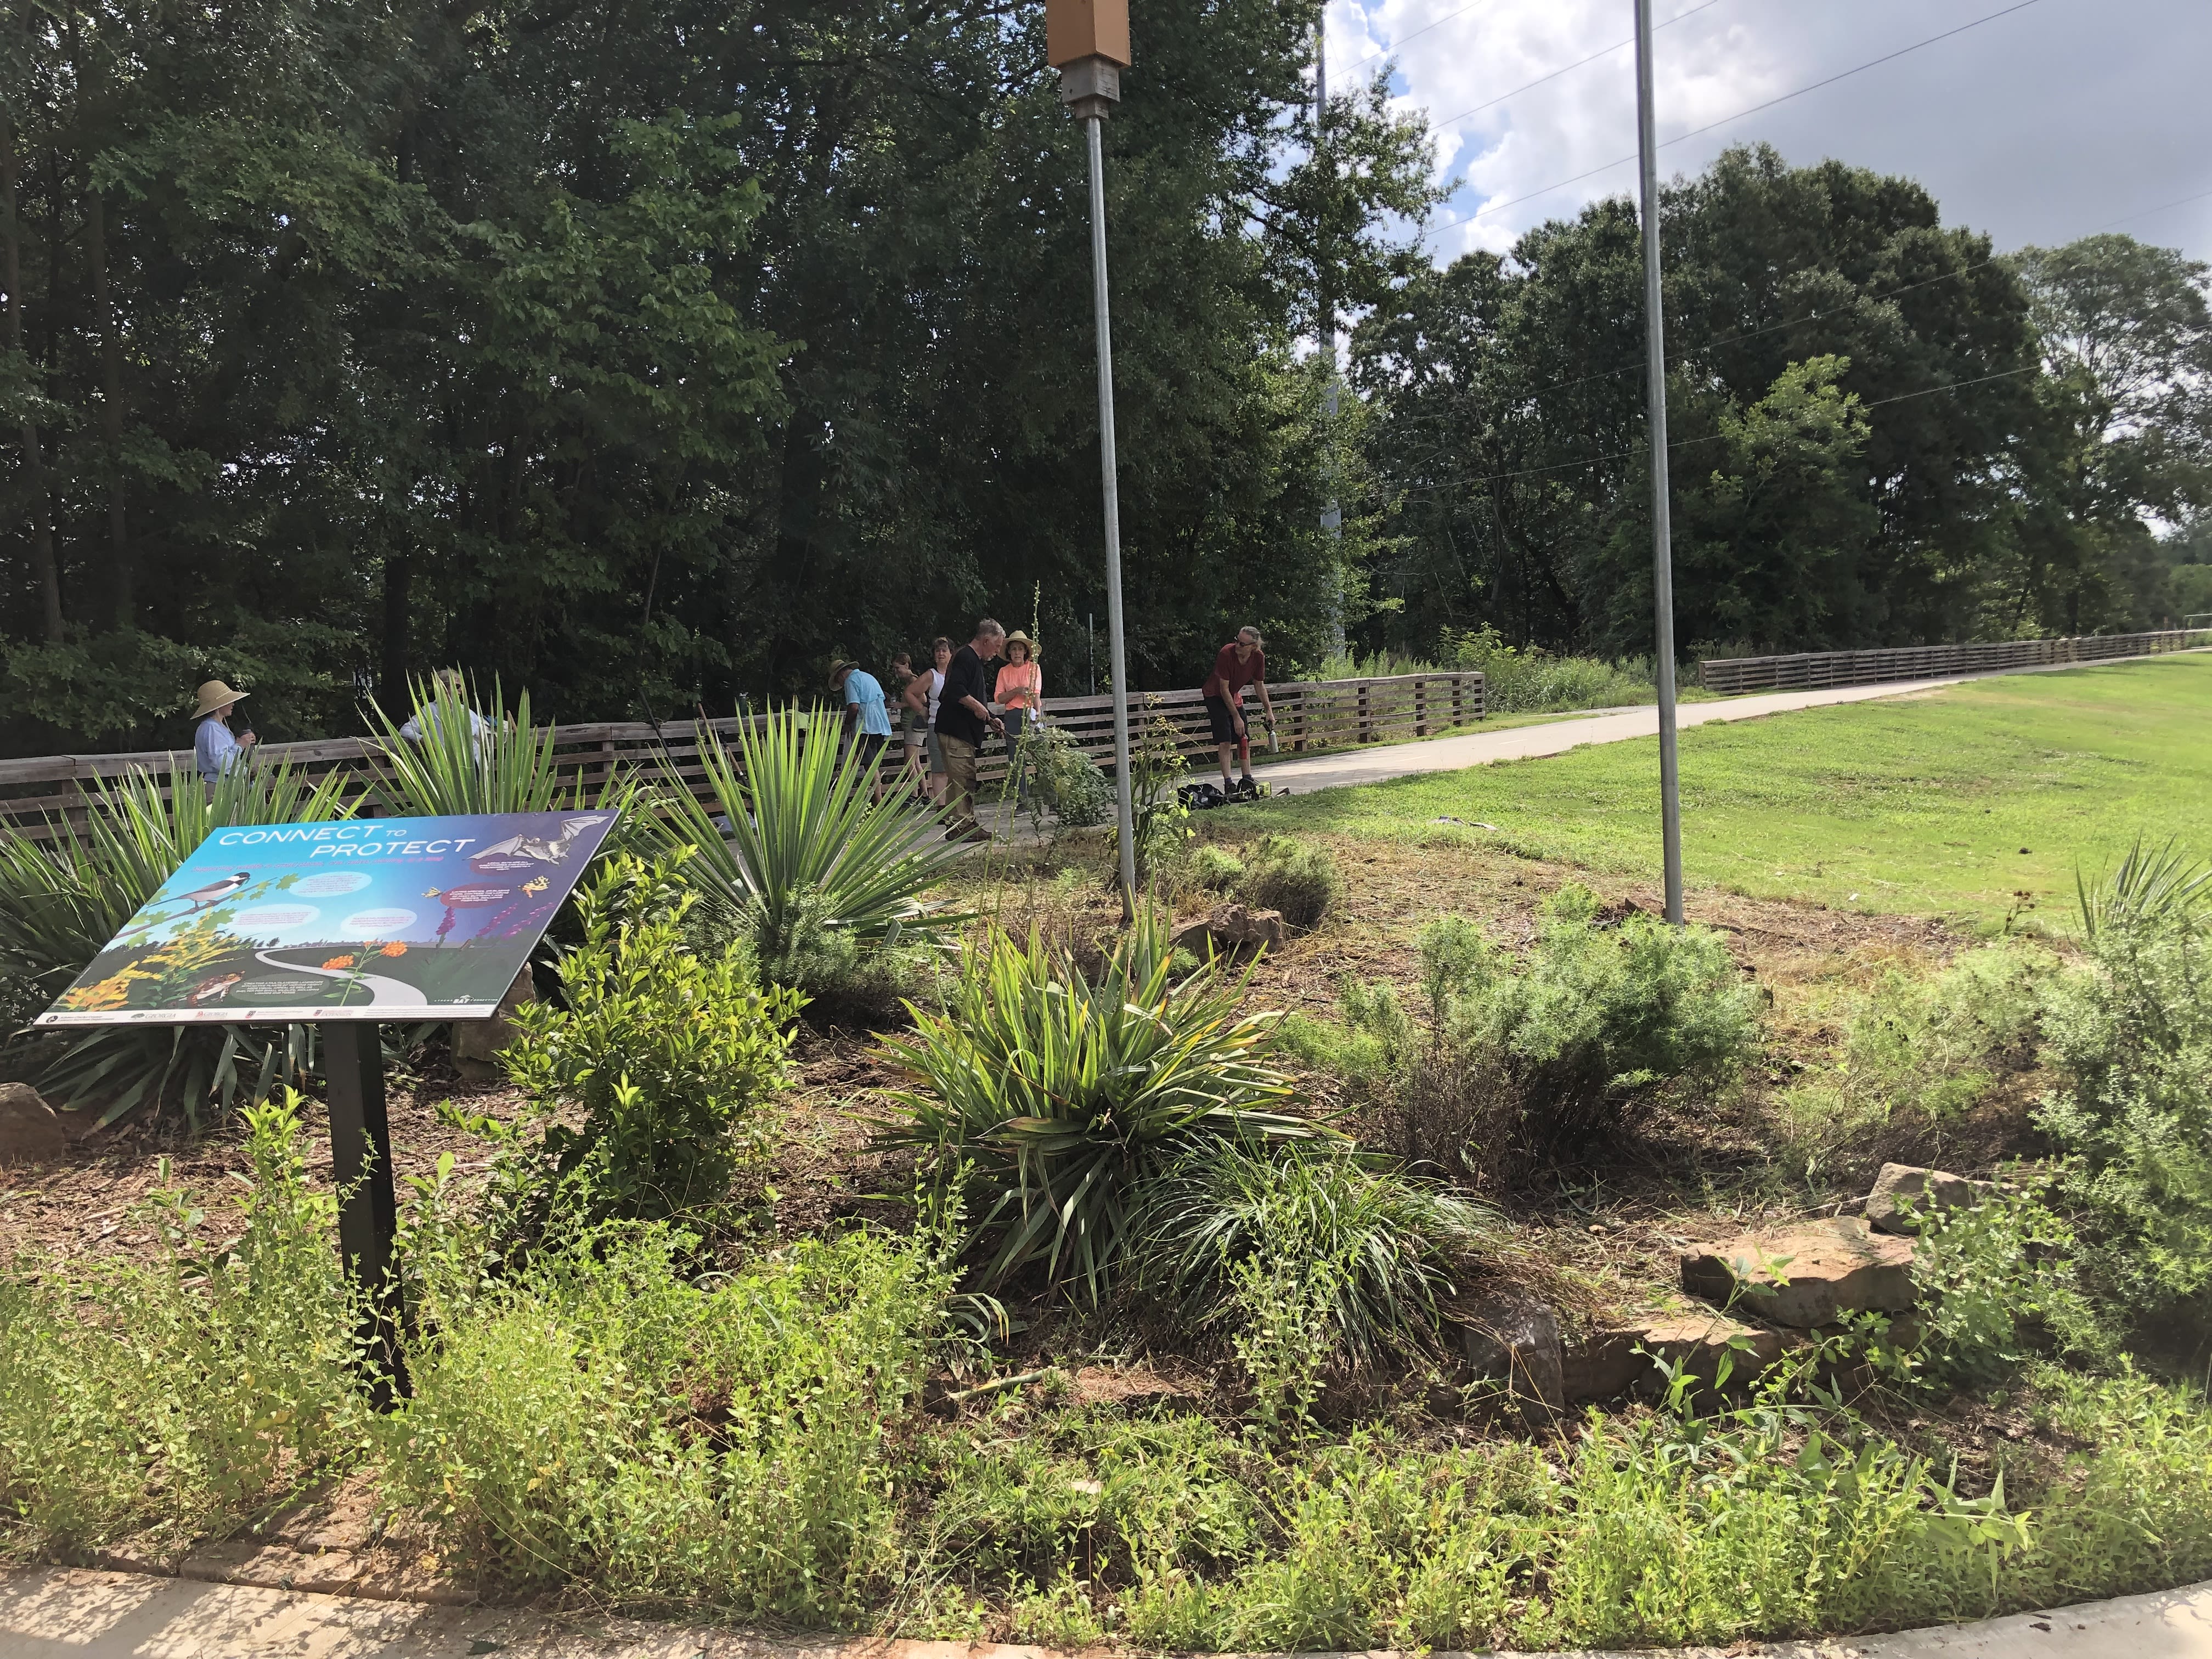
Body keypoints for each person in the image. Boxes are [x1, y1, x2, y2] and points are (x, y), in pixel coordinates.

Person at [934, 619, 1007, 842]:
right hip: (956, 730)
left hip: (957, 729)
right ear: (986, 640)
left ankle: (959, 824)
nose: (997, 652)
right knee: (964, 778)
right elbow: (955, 690)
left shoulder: (970, 660)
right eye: (997, 646)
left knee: (958, 779)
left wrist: (991, 718)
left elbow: (971, 696)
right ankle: (964, 826)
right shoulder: (967, 657)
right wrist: (976, 707)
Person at [1200, 626, 1275, 798]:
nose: (1237, 645)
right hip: (1215, 695)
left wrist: (1269, 710)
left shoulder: (1258, 657)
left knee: (1244, 738)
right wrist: (1236, 717)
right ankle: (1229, 784)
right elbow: (1223, 689)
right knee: (1226, 740)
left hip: (1233, 696)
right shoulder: (1226, 654)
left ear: (1253, 647)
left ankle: (1247, 778)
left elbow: (1259, 685)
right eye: (1237, 640)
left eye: (1242, 644)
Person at [828, 658, 894, 801]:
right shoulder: (868, 677)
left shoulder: (850, 681)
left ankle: (878, 802)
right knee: (872, 764)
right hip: (881, 726)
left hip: (866, 728)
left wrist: (847, 724)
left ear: (840, 676)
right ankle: (875, 799)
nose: (841, 685)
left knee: (870, 766)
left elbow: (854, 707)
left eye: (839, 682)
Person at [994, 631, 1043, 808]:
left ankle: (1052, 800)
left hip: (1031, 713)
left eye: (1020, 649)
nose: (1016, 653)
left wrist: (1038, 716)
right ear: (1009, 652)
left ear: (1026, 652)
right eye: (1013, 649)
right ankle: (1023, 801)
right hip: (1013, 716)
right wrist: (1016, 692)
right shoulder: (1003, 672)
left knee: (1042, 758)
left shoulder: (1034, 668)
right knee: (1016, 761)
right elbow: (998, 698)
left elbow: (1036, 693)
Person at [904, 637, 953, 805]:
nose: (941, 654)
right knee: (939, 768)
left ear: (951, 654)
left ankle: (957, 806)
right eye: (938, 651)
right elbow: (910, 693)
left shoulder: (958, 674)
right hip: (937, 725)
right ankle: (941, 807)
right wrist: (922, 710)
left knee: (956, 768)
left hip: (956, 726)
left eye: (944, 650)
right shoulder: (931, 675)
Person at [398, 667, 494, 751]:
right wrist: (424, 741)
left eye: (462, 687)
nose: (461, 690)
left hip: (473, 765)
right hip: (446, 766)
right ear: (443, 687)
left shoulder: (467, 711)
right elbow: (406, 730)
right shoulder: (430, 710)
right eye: (457, 686)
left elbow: (481, 731)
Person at [191, 679, 257, 791]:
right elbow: (221, 763)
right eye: (229, 701)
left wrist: (244, 742)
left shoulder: (215, 727)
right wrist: (240, 745)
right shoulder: (211, 728)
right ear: (219, 705)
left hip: (223, 785)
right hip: (219, 787)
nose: (233, 704)